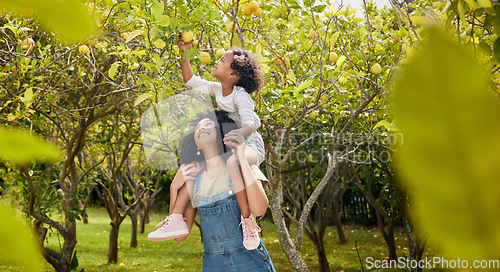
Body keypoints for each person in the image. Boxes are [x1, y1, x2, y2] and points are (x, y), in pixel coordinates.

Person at [148, 35, 266, 250]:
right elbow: (191, 81)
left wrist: (238, 135)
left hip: (249, 144)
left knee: (232, 163)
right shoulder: (216, 88)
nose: (216, 61)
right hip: (232, 141)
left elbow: (250, 125)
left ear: (233, 74)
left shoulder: (241, 96)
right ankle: (176, 219)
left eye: (222, 60)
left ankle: (248, 221)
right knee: (195, 168)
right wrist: (184, 56)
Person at [161, 110, 276, 271]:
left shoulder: (241, 166)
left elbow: (259, 209)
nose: (201, 128)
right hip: (214, 265)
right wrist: (174, 188)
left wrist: (242, 157)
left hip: (250, 260)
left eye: (208, 124)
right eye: (198, 127)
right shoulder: (194, 180)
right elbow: (180, 236)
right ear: (196, 143)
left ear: (221, 132)